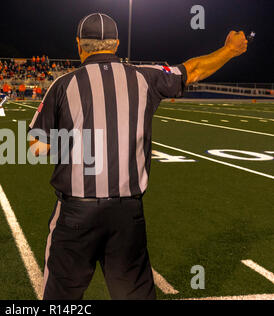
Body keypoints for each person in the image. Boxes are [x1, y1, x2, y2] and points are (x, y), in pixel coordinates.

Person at [28, 13, 248, 300]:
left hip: (76, 214)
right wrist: (229, 50)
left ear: (79, 45)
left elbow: (36, 146)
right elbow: (192, 70)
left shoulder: (63, 84)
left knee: (60, 298)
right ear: (116, 44)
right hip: (126, 214)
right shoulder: (144, 76)